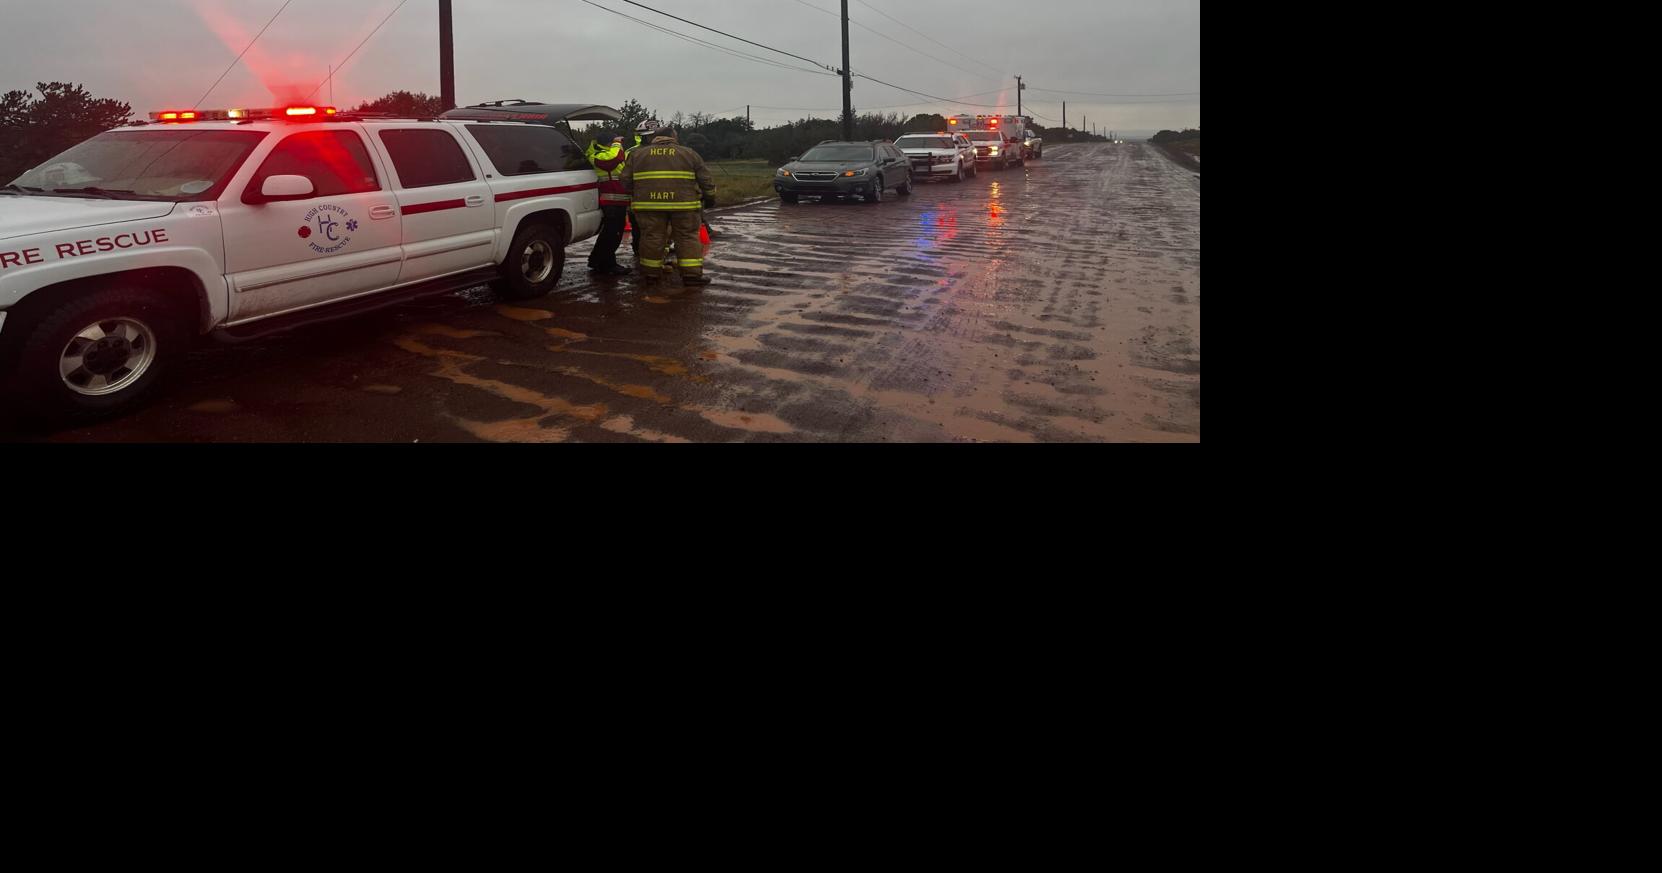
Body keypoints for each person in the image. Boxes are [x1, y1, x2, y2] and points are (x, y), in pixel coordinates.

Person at [620, 126, 717, 289]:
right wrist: (710, 197)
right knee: (687, 237)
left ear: (653, 138)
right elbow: (706, 180)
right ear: (673, 136)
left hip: (648, 205)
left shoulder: (638, 155)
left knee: (652, 237)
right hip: (684, 205)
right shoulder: (689, 153)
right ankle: (691, 276)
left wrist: (640, 192)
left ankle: (651, 276)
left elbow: (625, 180)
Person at [584, 136, 632, 276]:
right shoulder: (597, 155)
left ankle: (598, 261)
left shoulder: (606, 153)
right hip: (610, 200)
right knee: (611, 234)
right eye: (614, 142)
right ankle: (606, 264)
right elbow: (613, 160)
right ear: (608, 142)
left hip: (618, 200)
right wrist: (617, 143)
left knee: (610, 234)